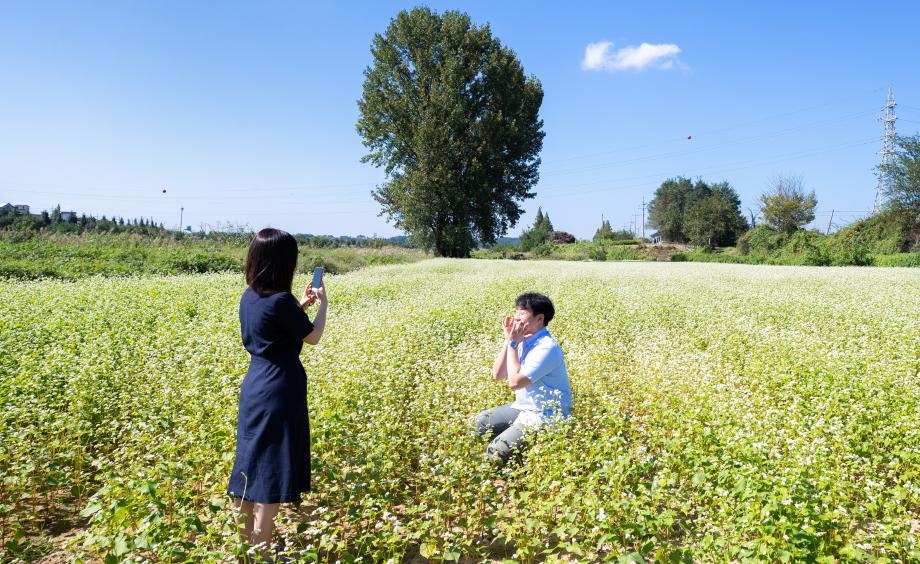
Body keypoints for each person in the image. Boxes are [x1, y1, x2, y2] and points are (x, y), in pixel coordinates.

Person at [227, 228, 328, 556]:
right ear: (284, 262)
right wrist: (322, 305)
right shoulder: (280, 301)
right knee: (271, 469)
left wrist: (300, 304)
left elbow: (271, 327)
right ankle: (263, 548)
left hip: (255, 386)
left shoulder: (249, 296)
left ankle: (243, 548)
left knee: (249, 462)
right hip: (280, 390)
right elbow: (312, 337)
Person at [473, 292, 572, 463]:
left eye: (522, 312)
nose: (516, 317)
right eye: (516, 311)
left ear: (539, 319)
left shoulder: (547, 347)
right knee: (481, 422)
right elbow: (498, 374)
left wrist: (513, 343)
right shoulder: (522, 339)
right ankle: (514, 444)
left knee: (494, 452)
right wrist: (508, 340)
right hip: (524, 406)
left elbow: (514, 383)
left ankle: (520, 460)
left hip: (547, 413)